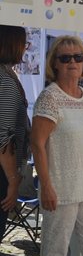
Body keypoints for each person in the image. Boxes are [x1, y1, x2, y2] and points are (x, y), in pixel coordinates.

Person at [30, 35, 83, 256]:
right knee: (55, 254)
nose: (72, 62)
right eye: (65, 58)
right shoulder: (49, 98)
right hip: (61, 191)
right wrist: (47, 187)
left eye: (78, 57)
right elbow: (37, 144)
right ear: (54, 63)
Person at [0, 25, 30, 243]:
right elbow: (4, 136)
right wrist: (12, 179)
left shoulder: (7, 75)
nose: (25, 49)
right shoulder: (6, 82)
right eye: (24, 44)